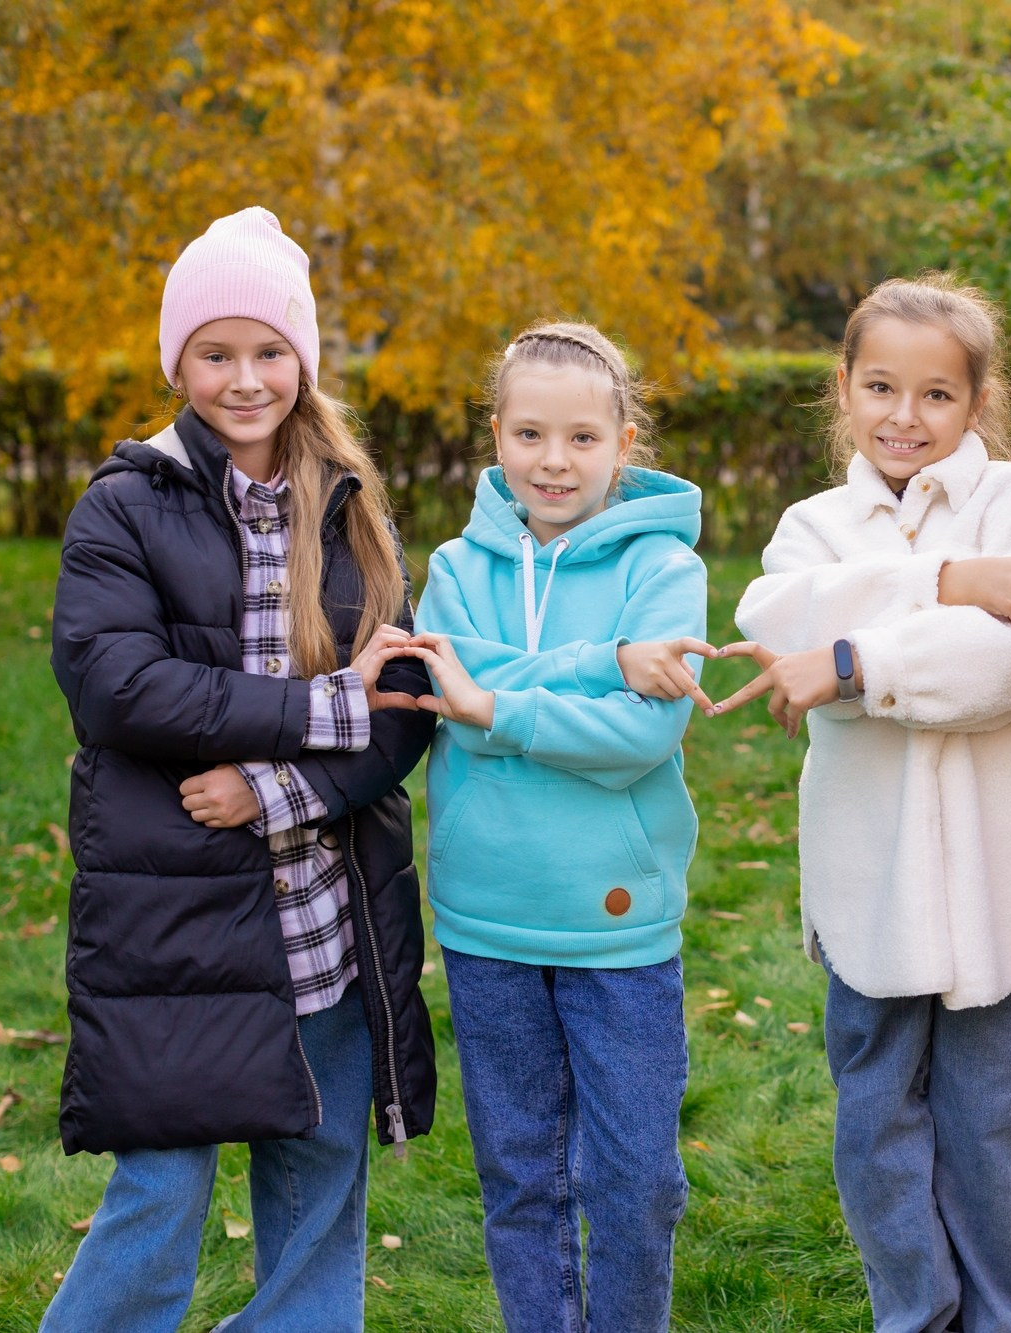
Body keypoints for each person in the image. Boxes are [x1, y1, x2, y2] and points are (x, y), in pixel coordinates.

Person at [45, 206, 437, 1332]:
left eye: (269, 352)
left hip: (326, 915)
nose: (246, 378)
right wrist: (322, 704)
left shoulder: (350, 510)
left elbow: (399, 710)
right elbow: (119, 688)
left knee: (319, 1197)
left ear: (302, 361)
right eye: (216, 353)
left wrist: (277, 786)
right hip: (180, 922)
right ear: (180, 361)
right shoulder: (123, 506)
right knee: (160, 1192)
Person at [713, 273, 1011, 1331]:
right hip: (864, 886)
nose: (904, 416)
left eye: (935, 394)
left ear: (975, 402)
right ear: (843, 387)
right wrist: (945, 584)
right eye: (880, 386)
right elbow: (771, 610)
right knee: (876, 1128)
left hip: (1008, 895)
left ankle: (1003, 1322)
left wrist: (845, 660)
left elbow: (1003, 668)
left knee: (991, 1142)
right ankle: (912, 1315)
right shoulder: (812, 522)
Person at [400, 321, 711, 1333]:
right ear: (496, 435)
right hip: (487, 918)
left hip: (616, 926)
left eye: (581, 438)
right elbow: (446, 685)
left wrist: (496, 704)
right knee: (520, 1175)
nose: (552, 460)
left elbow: (640, 734)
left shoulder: (663, 565)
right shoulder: (453, 565)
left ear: (625, 444)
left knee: (635, 1181)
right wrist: (604, 664)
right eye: (529, 434)